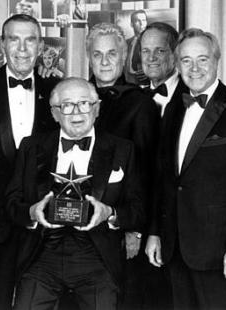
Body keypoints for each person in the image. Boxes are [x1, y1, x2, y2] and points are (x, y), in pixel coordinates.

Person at [145, 28, 226, 309]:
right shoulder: (174, 108)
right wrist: (155, 232)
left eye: (202, 59)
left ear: (216, 60)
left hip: (218, 249)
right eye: (186, 60)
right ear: (177, 64)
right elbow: (164, 178)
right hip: (174, 245)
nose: (194, 68)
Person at [6, 77, 145, 310]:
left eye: (84, 103)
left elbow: (138, 210)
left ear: (97, 108)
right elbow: (10, 204)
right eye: (67, 105)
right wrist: (31, 212)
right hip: (42, 255)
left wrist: (109, 213)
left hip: (96, 257)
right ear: (54, 113)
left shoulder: (123, 149)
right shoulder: (30, 147)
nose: (77, 112)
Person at [0, 14, 59, 310]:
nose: (21, 48)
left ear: (41, 46)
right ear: (2, 44)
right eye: (13, 39)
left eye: (30, 39)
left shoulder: (56, 91)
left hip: (41, 222)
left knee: (39, 304)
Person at [86, 22, 161, 310]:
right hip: (78, 227)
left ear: (124, 55)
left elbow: (146, 174)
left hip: (119, 226)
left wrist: (135, 230)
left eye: (112, 54)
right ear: (89, 57)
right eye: (97, 54)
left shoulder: (140, 104)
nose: (104, 61)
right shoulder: (75, 96)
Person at [140, 22, 182, 117]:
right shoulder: (134, 97)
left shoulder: (192, 95)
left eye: (160, 51)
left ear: (175, 55)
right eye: (145, 51)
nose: (151, 58)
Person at [124, 10, 149, 85]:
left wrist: (150, 72)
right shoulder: (126, 42)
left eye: (144, 20)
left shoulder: (153, 42)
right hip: (129, 83)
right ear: (132, 24)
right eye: (138, 21)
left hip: (145, 85)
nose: (141, 24)